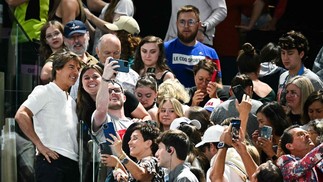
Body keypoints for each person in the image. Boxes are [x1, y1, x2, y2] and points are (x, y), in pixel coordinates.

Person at [14, 49, 82, 182]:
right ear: (57, 69)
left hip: (72, 163)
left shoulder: (72, 101)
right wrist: (40, 145)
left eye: (78, 69)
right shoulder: (44, 90)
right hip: (51, 161)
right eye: (71, 67)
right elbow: (21, 115)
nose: (76, 72)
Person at [164, 5, 222, 88]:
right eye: (182, 22)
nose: (186, 26)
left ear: (198, 25)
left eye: (191, 22)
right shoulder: (164, 49)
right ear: (176, 24)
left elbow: (219, 84)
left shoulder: (210, 53)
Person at [277, 30, 323, 106]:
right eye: (283, 53)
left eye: (290, 53)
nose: (285, 57)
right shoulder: (283, 76)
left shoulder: (312, 80)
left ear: (301, 54)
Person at [64, 20, 99, 99]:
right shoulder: (60, 62)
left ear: (88, 35)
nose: (76, 41)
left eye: (80, 36)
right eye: (72, 37)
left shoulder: (96, 62)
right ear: (65, 40)